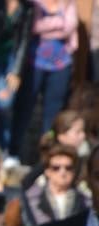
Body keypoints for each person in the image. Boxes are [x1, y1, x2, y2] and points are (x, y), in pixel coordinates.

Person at [11, 0, 80, 163]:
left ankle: (47, 157)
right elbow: (34, 27)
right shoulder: (34, 4)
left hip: (61, 64)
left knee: (52, 114)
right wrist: (58, 26)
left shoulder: (68, 3)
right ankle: (13, 152)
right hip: (35, 63)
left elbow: (70, 26)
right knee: (25, 109)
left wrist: (48, 27)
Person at [0, 0, 35, 153]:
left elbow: (24, 39)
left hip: (11, 60)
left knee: (5, 103)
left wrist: (16, 71)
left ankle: (4, 150)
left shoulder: (27, 8)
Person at [20, 143, 90, 226]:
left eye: (68, 167)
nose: (62, 172)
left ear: (74, 171)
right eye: (56, 168)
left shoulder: (85, 201)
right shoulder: (31, 198)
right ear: (47, 171)